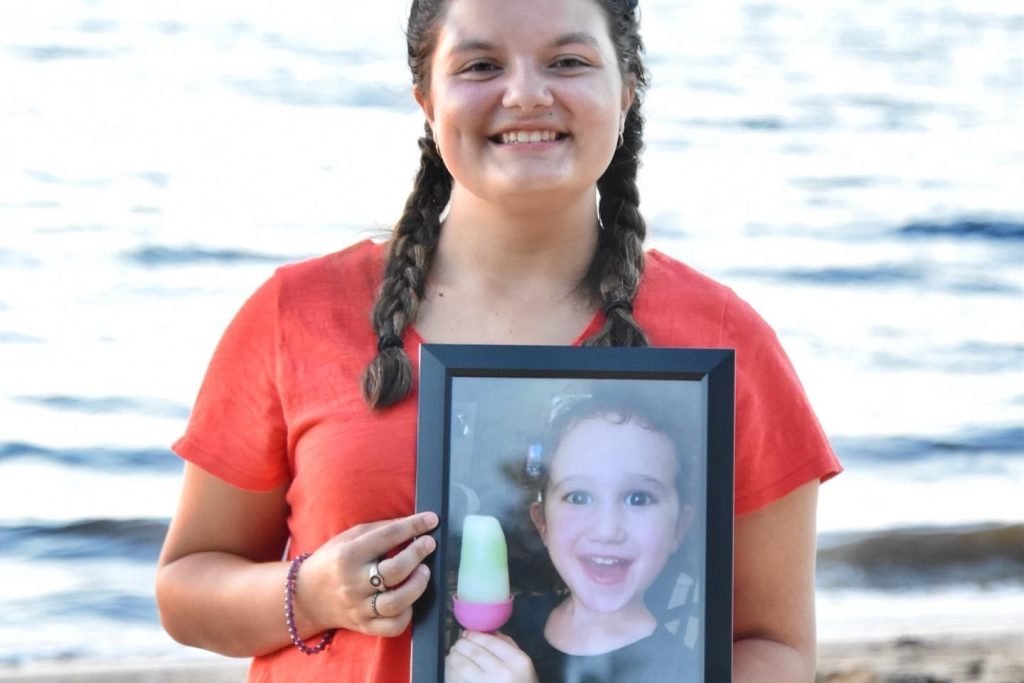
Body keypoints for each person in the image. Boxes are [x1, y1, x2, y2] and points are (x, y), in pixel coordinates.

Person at [155, 0, 841, 681]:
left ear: (627, 90)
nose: (526, 95)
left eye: (567, 61)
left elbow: (774, 648)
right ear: (427, 98)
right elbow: (187, 591)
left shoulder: (724, 337)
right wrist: (314, 593)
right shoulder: (295, 312)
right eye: (481, 65)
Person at [453, 392, 702, 683]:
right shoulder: (512, 621)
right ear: (542, 522)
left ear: (679, 527)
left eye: (638, 498)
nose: (606, 531)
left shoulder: (688, 670)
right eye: (579, 496)